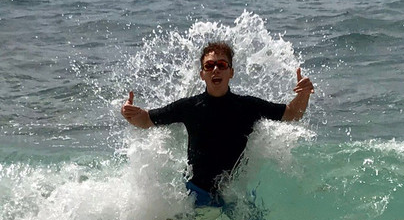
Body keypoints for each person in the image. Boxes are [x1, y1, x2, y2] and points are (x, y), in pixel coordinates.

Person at [121, 41, 314, 208]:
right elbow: (147, 120)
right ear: (202, 74)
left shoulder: (248, 106)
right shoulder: (189, 107)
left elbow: (292, 114)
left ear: (231, 72)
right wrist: (131, 114)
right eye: (209, 66)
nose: (216, 69)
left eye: (222, 65)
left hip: (233, 193)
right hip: (196, 191)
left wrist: (303, 94)